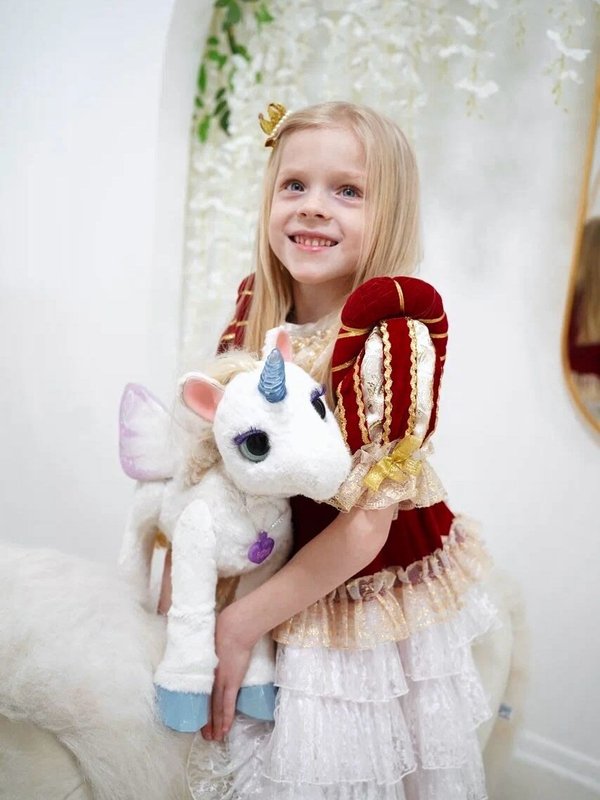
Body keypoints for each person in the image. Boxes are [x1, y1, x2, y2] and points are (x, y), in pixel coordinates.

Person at [163, 101, 498, 799]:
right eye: (295, 185)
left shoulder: (389, 332)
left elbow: (367, 528)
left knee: (331, 765)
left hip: (352, 576)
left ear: (389, 212)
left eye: (347, 190)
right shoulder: (256, 304)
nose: (313, 206)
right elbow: (221, 457)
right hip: (276, 552)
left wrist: (242, 623)